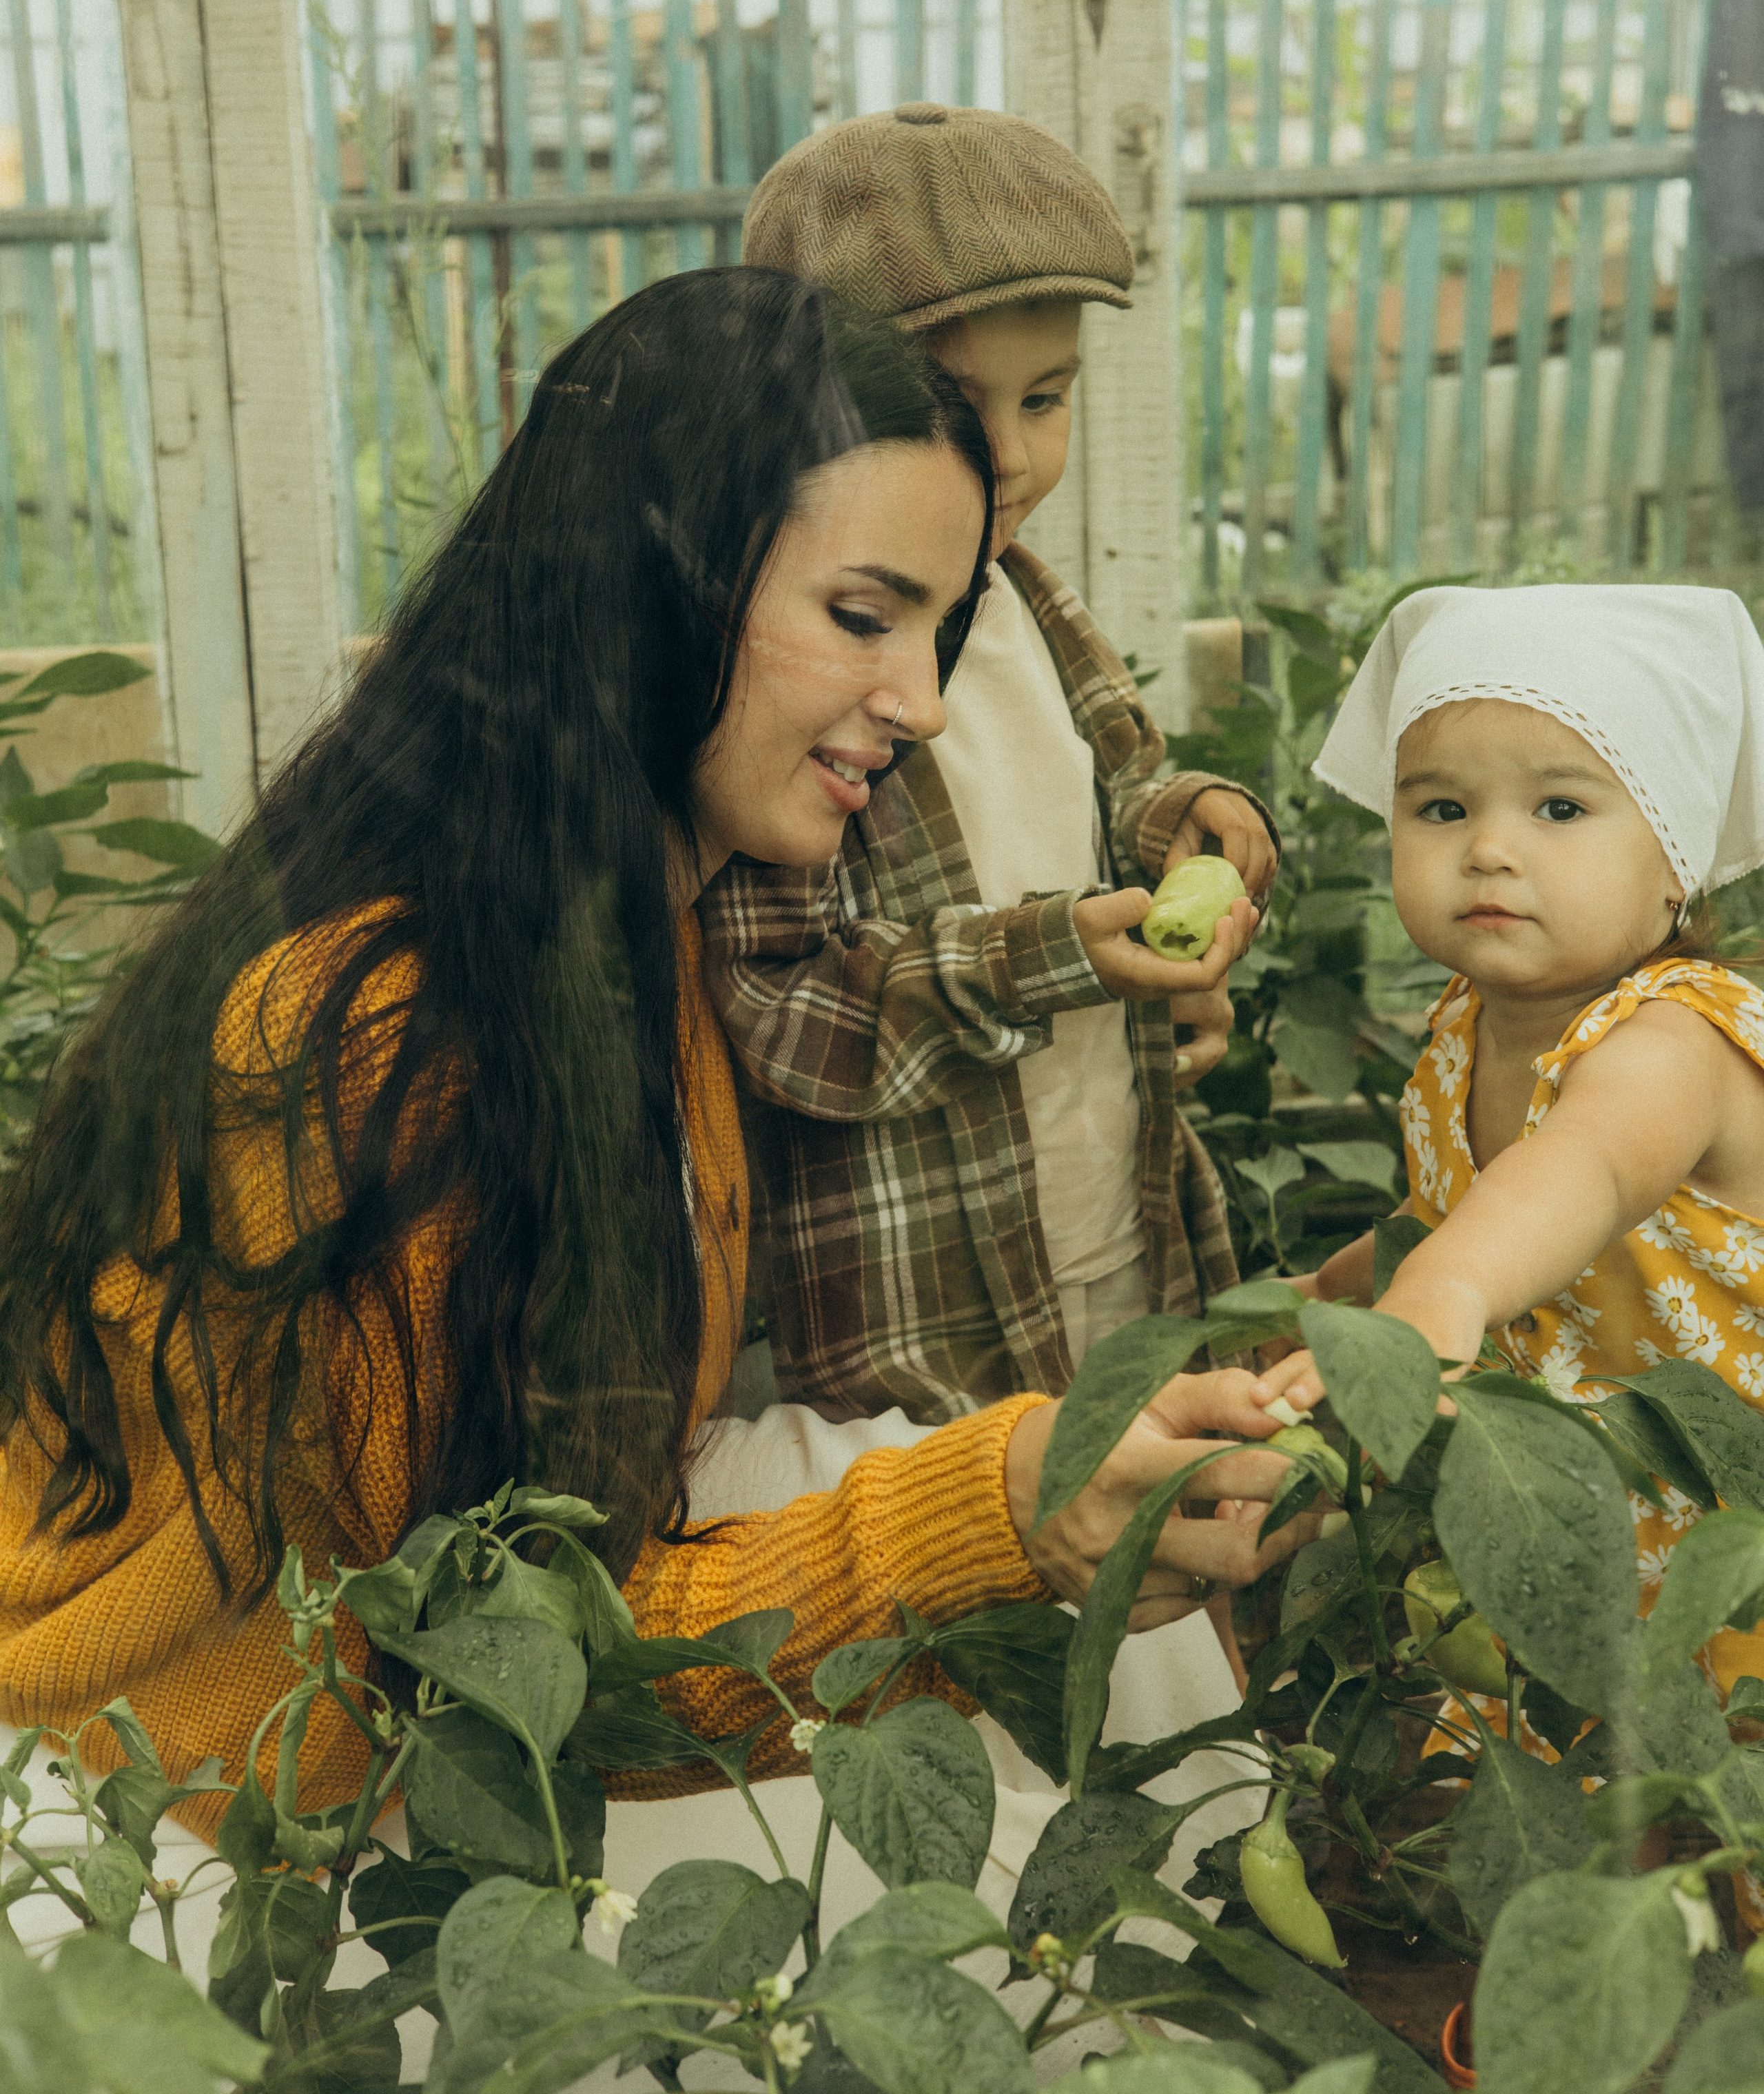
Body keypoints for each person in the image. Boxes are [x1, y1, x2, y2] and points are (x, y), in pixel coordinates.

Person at [0, 271, 1304, 1824]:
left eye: (940, 629)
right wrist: (990, 1524)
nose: (924, 703)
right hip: (244, 1779)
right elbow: (476, 1660)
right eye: (859, 614)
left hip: (484, 1633)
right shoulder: (377, 1030)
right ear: (648, 581)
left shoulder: (637, 919)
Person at [699, 105, 1278, 1442]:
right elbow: (779, 1018)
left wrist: (1189, 818)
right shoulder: (798, 656)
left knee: (1152, 1568)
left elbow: (1106, 771)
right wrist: (1055, 955)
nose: (1009, 456)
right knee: (976, 1602)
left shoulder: (1019, 592)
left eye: (1046, 399)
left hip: (1110, 1221)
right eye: (954, 406)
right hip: (926, 1297)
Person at [1254, 581, 1764, 1703]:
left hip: (1725, 1537)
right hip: (1571, 1520)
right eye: (1441, 810)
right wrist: (1326, 1303)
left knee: (1702, 1812)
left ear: (1675, 858)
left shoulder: (1676, 1039)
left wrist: (1437, 1300)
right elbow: (1443, 1225)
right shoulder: (1461, 1030)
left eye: (1561, 811)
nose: (1489, 849)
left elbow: (1576, 1170)